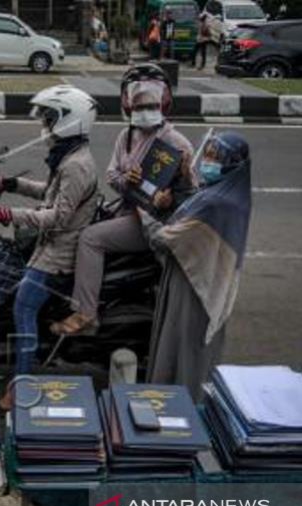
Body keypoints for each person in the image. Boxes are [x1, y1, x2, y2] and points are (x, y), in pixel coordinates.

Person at [50, 64, 197, 336]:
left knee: (90, 239)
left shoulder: (178, 144)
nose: (144, 109)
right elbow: (111, 175)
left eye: (151, 103)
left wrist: (175, 191)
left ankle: (86, 313)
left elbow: (193, 198)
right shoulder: (126, 137)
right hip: (127, 209)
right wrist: (126, 180)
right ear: (128, 104)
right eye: (139, 104)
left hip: (152, 222)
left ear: (164, 103)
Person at [0, 86, 99, 411]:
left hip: (59, 252)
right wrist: (12, 185)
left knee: (23, 306)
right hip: (49, 245)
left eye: (50, 118)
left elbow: (58, 217)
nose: (44, 125)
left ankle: (21, 386)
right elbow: (50, 194)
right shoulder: (69, 156)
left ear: (69, 121)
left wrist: (9, 213)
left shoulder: (76, 165)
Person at [141, 131, 252, 400]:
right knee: (187, 346)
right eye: (209, 155)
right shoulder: (229, 193)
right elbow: (188, 208)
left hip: (194, 287)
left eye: (216, 158)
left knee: (182, 347)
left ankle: (182, 406)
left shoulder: (215, 203)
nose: (208, 162)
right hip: (202, 278)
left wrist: (143, 214)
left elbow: (166, 239)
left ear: (233, 163)